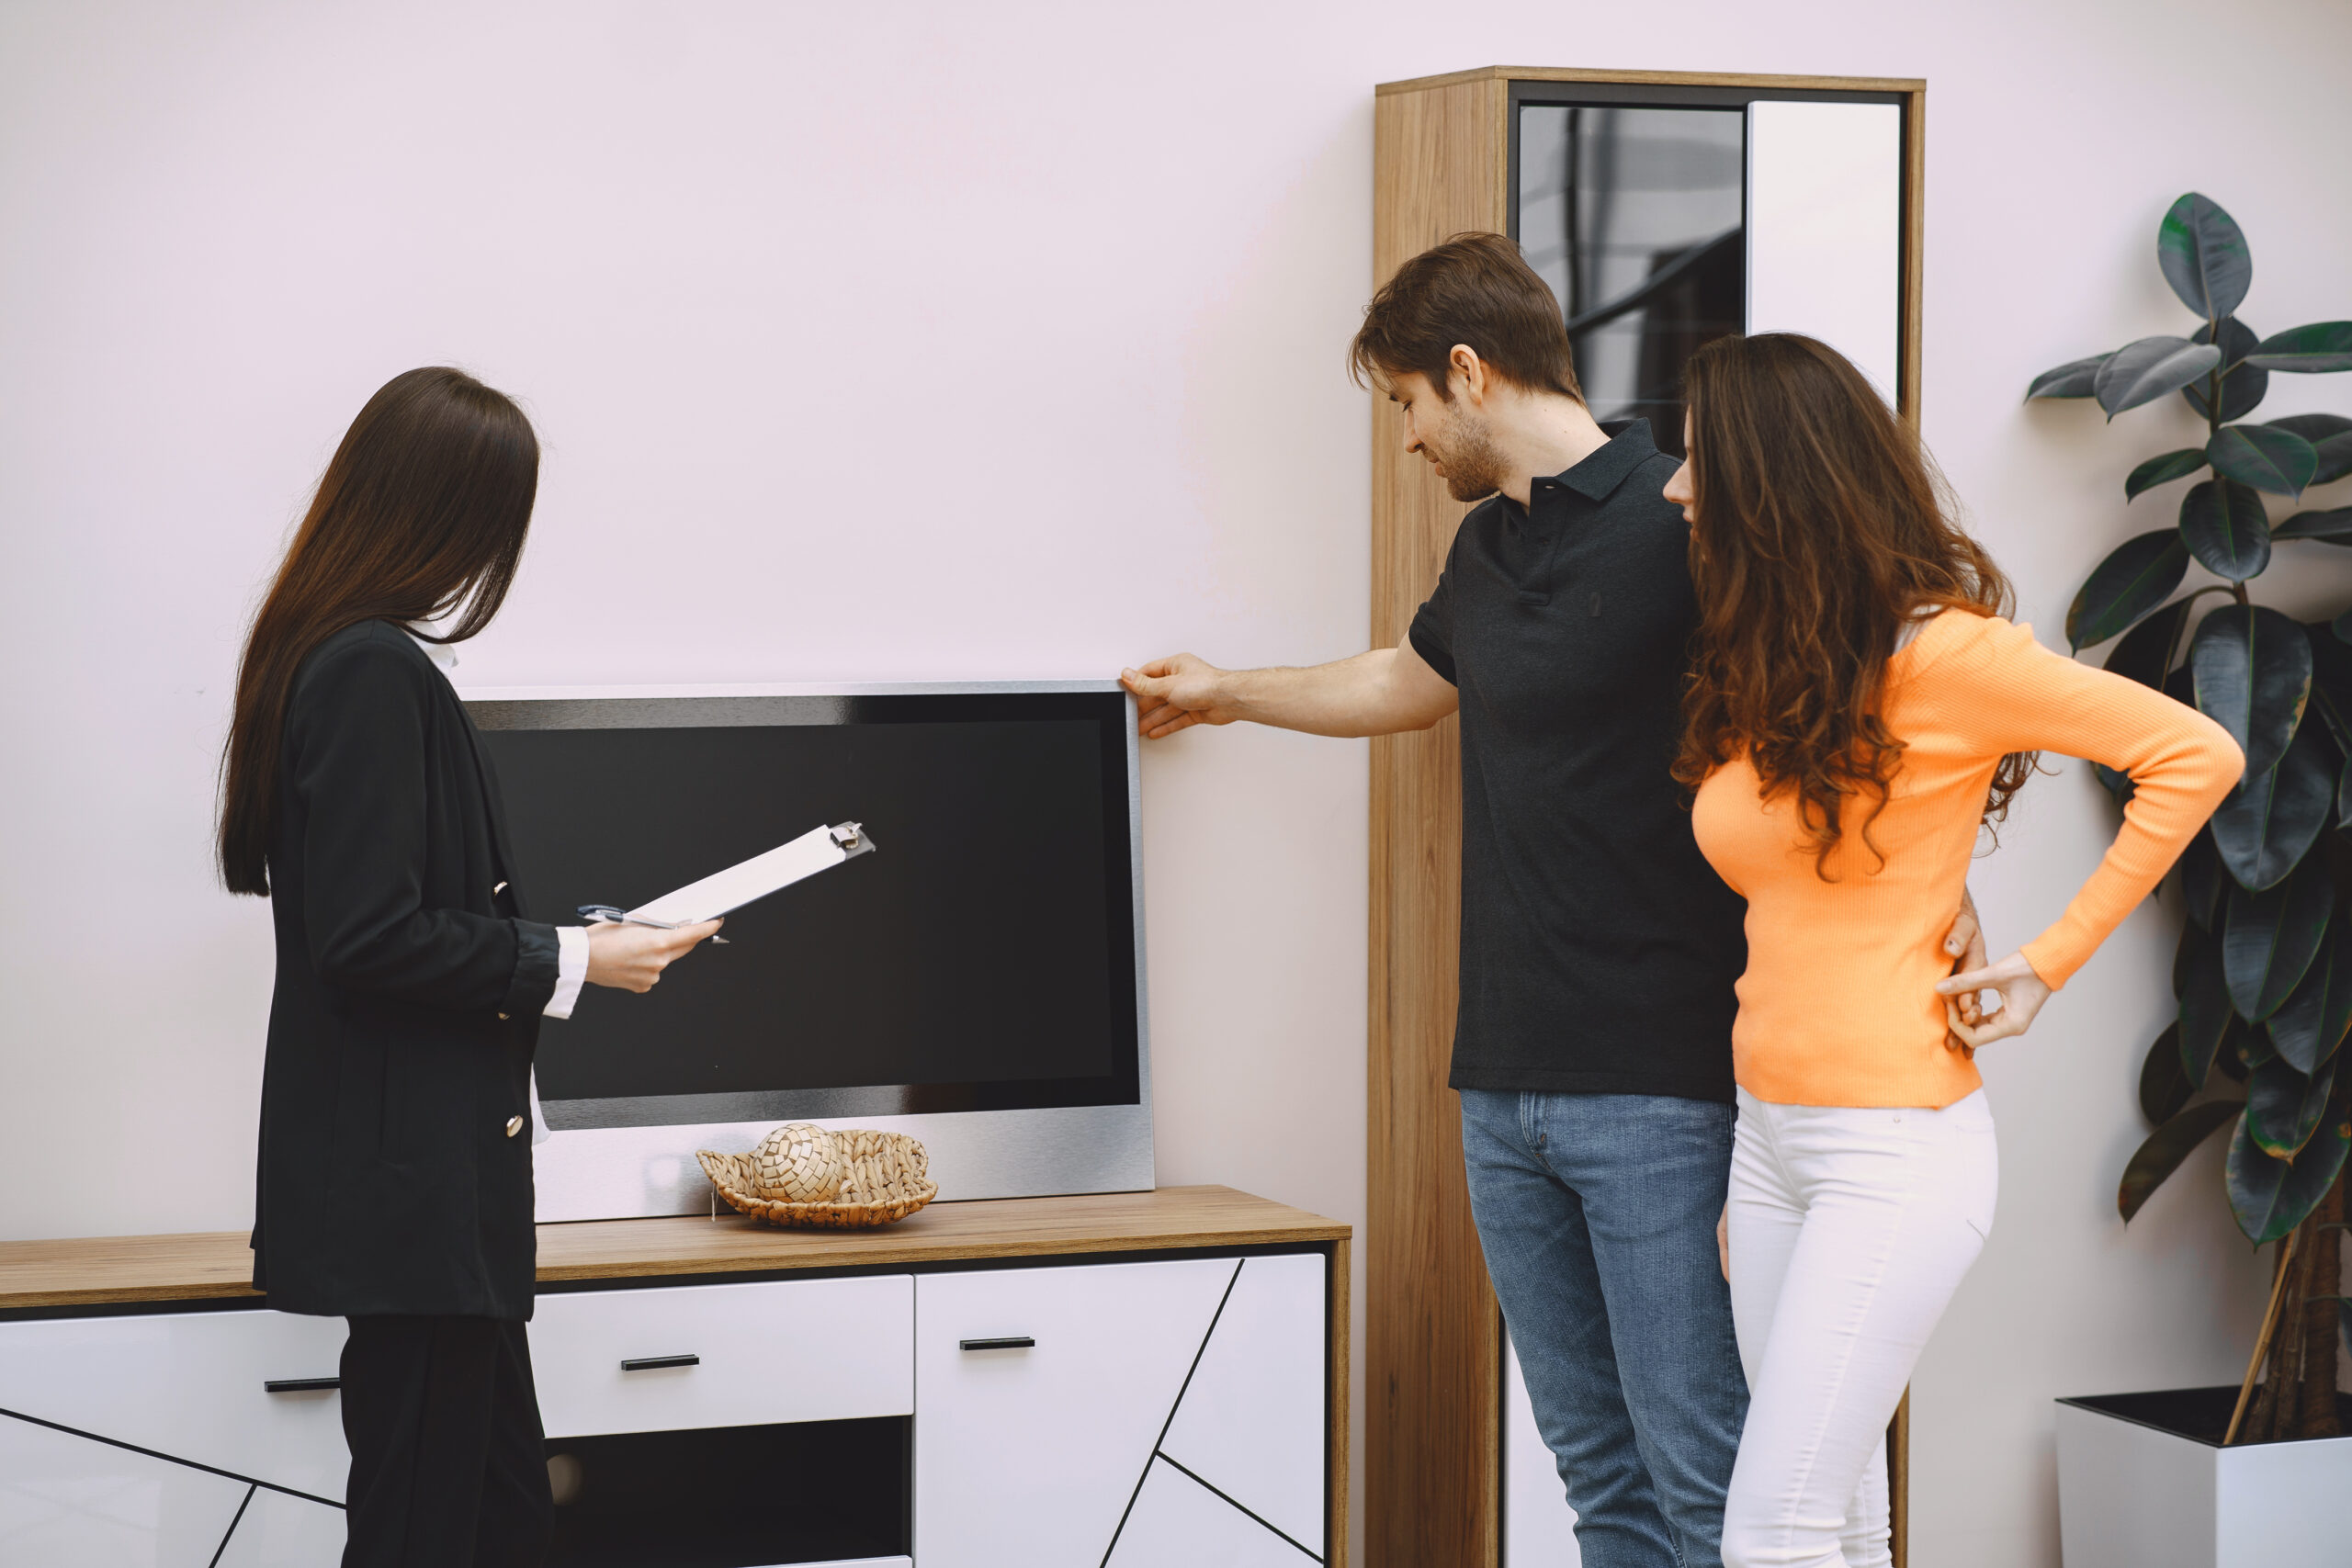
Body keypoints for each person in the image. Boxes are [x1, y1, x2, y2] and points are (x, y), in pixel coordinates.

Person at [1120, 233, 1983, 1566]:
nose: (1409, 440)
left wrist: (1941, 887)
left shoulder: (1689, 518)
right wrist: (1230, 691)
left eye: (1408, 403)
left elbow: (1867, 691)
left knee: (1701, 1474)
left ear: (1467, 374)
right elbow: (1411, 681)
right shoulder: (1488, 550)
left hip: (1664, 1089)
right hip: (1502, 1090)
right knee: (1598, 1479)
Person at [1663, 333, 2243, 1568]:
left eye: (1699, 459)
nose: (1676, 487)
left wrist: (2045, 960)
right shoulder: (1784, 664)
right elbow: (1833, 882)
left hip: (1892, 1148)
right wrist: (1749, 1160)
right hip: (1770, 1142)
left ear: (1775, 478)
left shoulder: (1949, 652)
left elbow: (2196, 755)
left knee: (1768, 1533)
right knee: (1840, 1519)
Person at [217, 367, 721, 1567]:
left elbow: (386, 921)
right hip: (416, 1210)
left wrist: (577, 946)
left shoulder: (331, 658)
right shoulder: (369, 670)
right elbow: (367, 939)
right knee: (433, 1531)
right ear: (443, 513)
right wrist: (574, 959)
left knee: (492, 1522)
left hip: (432, 1214)